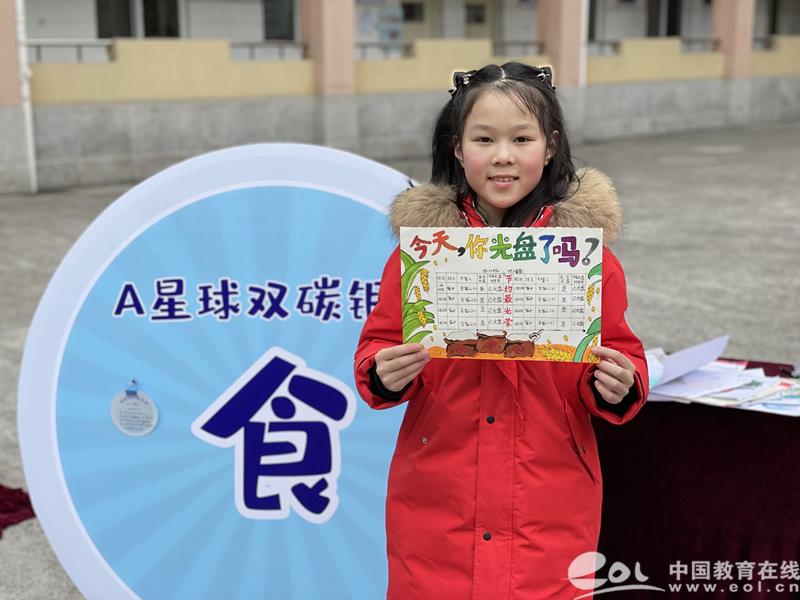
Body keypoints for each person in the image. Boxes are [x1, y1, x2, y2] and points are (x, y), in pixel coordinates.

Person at [353, 62, 649, 599]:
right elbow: (379, 344)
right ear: (456, 147)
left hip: (548, 500)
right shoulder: (422, 254)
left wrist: (619, 382)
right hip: (438, 499)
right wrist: (383, 372)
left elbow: (621, 352)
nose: (503, 156)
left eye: (522, 139)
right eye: (484, 139)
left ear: (551, 146)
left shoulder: (586, 260)